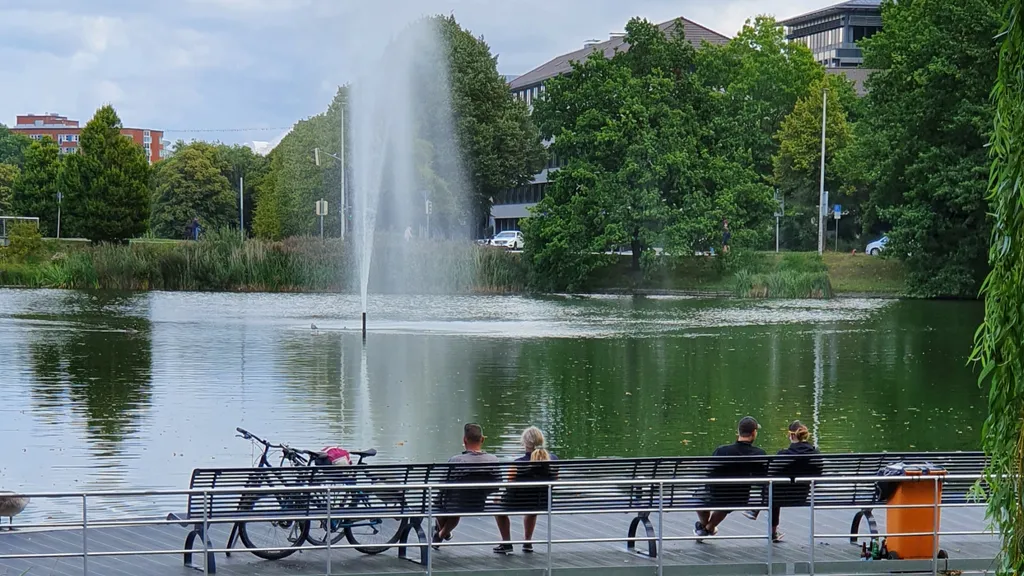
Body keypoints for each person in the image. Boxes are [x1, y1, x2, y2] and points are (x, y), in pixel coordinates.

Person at [743, 420, 822, 543]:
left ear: (791, 435)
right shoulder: (816, 454)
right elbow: (818, 476)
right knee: (775, 487)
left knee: (772, 486)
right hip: (802, 496)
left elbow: (770, 475)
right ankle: (759, 513)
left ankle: (761, 515)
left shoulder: (783, 454)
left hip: (779, 496)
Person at [694, 416, 767, 542]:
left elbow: (709, 474)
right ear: (754, 433)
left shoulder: (722, 450)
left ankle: (705, 527)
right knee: (727, 499)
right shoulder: (759, 454)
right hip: (739, 497)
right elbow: (763, 481)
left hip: (715, 494)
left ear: (738, 432)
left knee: (700, 496)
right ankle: (709, 528)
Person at [493, 426, 558, 555]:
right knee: (533, 502)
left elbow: (510, 487)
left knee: (496, 503)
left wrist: (499, 498)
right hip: (543, 502)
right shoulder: (553, 460)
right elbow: (554, 482)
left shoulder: (518, 464)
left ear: (524, 443)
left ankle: (506, 543)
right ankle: (527, 541)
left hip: (519, 503)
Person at [433, 423, 499, 548]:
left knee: (440, 501)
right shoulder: (493, 460)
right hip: (479, 504)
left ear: (464, 440)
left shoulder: (456, 460)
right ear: (482, 439)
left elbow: (442, 485)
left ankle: (441, 533)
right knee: (448, 501)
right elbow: (496, 487)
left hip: (457, 505)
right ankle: (441, 534)